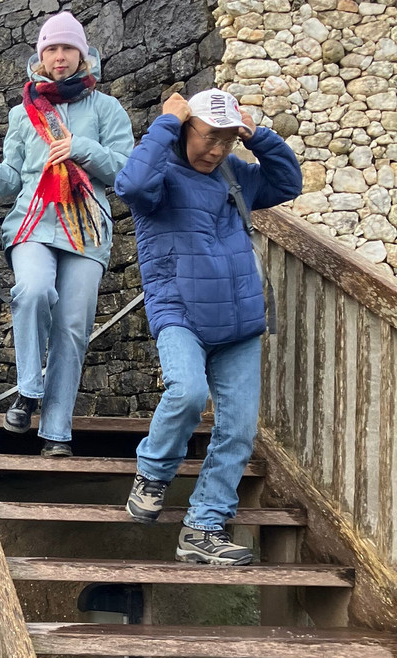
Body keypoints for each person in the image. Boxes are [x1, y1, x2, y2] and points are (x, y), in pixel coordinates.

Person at [116, 89, 302, 565]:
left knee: (238, 430)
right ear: (185, 130)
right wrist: (166, 122)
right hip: (179, 310)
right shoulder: (158, 175)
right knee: (187, 394)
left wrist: (257, 136)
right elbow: (130, 185)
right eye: (207, 137)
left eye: (226, 139)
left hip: (239, 320)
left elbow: (287, 182)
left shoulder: (234, 174)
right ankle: (153, 473)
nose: (216, 149)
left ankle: (202, 527)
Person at [0, 11, 134, 455]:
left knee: (73, 328)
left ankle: (56, 433)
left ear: (82, 54)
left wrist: (80, 148)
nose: (59, 57)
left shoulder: (106, 108)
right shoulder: (22, 113)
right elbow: (14, 179)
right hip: (32, 222)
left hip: (86, 230)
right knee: (33, 290)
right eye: (51, 49)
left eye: (67, 48)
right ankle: (29, 390)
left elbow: (126, 171)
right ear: (40, 56)